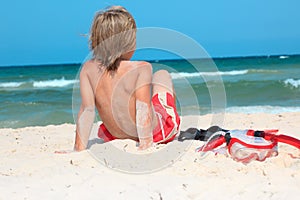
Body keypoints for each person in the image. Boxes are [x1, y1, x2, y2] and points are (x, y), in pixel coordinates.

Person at [73, 6, 180, 151]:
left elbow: (87, 110)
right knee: (162, 75)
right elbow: (143, 108)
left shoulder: (88, 69)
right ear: (128, 42)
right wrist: (145, 144)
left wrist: (79, 148)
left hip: (115, 134)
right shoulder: (141, 68)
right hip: (154, 133)